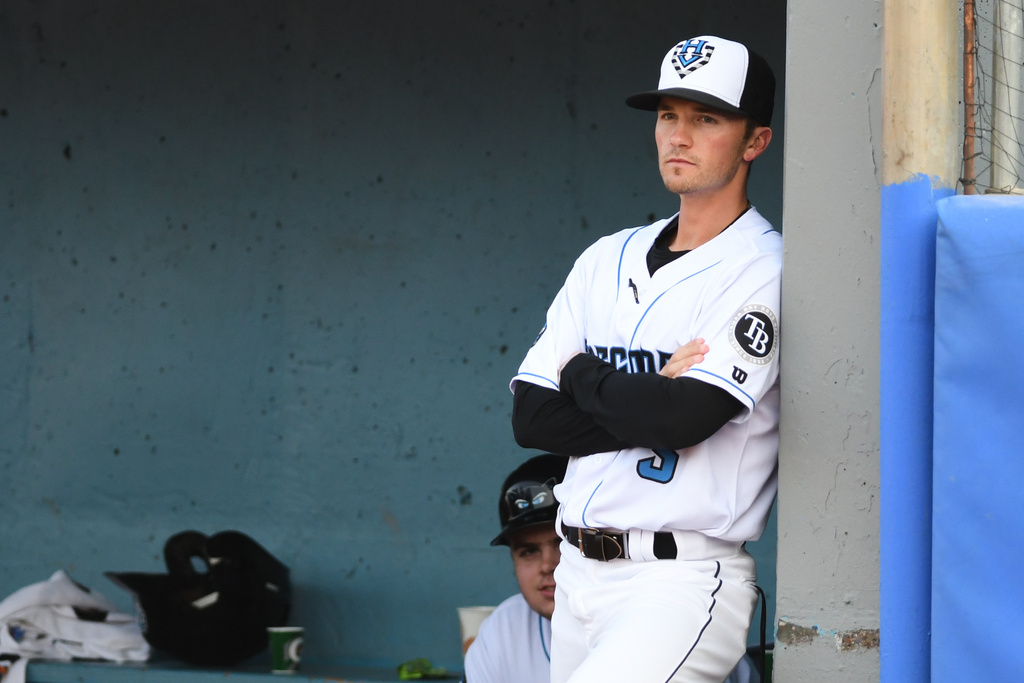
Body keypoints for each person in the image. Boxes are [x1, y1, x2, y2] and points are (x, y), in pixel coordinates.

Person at [510, 35, 781, 683]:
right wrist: (646, 396)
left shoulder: (762, 269)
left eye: (706, 118)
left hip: (678, 582)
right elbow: (532, 419)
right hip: (576, 572)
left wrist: (584, 377)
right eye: (668, 115)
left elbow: (685, 419)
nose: (678, 135)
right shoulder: (607, 256)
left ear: (754, 142)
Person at [462, 453, 567, 683]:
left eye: (563, 544)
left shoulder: (648, 622)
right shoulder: (502, 632)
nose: (548, 565)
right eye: (529, 551)